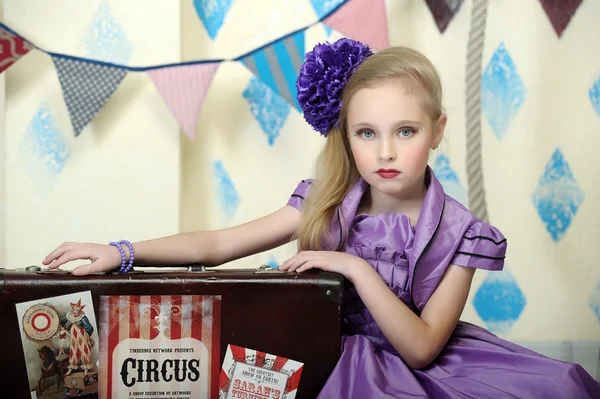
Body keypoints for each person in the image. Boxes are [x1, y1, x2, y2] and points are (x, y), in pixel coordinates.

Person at [43, 38, 600, 398]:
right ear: (347, 136)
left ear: (437, 130)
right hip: (338, 354)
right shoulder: (325, 202)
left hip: (428, 364)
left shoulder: (461, 234)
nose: (385, 152)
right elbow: (216, 243)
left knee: (567, 388)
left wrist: (355, 269)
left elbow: (423, 348)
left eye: (405, 132)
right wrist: (122, 252)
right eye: (367, 133)